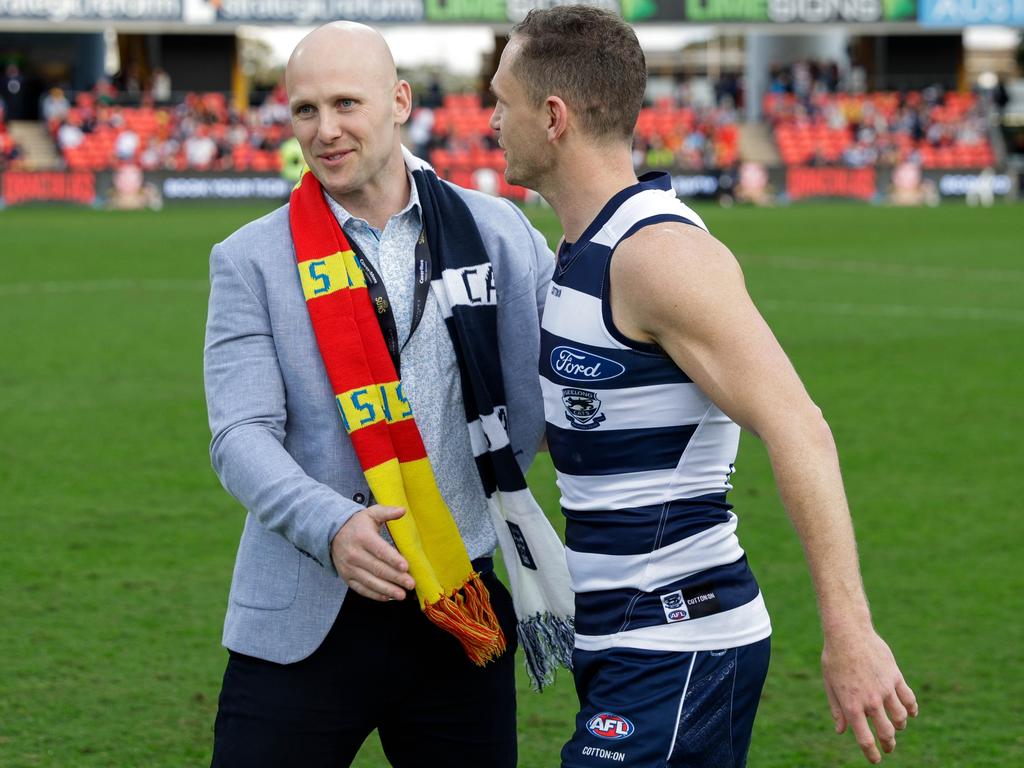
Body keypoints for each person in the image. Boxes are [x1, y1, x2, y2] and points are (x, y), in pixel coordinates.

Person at [488, 7, 919, 768]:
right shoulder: (575, 249)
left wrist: (850, 632)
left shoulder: (659, 255)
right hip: (620, 644)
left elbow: (799, 427)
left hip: (681, 642)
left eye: (502, 100)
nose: (492, 120)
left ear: (552, 117)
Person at [204, 21, 569, 768]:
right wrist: (332, 525)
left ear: (399, 100)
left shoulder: (500, 233)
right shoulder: (249, 259)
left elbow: (566, 397)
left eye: (346, 103)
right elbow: (239, 434)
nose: (325, 130)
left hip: (460, 605)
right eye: (305, 110)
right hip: (306, 609)